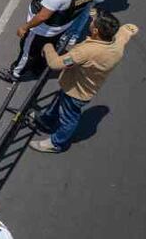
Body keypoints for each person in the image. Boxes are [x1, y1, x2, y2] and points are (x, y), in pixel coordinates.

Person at [30, 10, 138, 152]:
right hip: (80, 84)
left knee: (69, 118)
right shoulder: (117, 41)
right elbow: (129, 29)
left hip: (77, 91)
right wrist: (98, 16)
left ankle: (57, 143)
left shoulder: (86, 52)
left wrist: (48, 47)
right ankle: (46, 120)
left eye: (93, 22)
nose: (91, 21)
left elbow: (55, 63)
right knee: (58, 100)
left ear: (95, 31)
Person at [0, 0, 96, 82]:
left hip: (41, 29)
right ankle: (39, 68)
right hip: (62, 25)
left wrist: (25, 27)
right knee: (47, 47)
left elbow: (43, 15)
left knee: (28, 51)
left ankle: (15, 73)